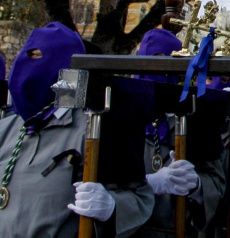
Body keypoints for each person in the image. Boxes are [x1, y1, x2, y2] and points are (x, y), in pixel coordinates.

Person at [0, 22, 153, 237]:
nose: (27, 66)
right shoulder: (6, 127)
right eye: (27, 55)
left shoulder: (97, 128)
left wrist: (112, 207)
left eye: (39, 56)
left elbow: (140, 198)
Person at [135, 28, 226, 237]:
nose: (157, 67)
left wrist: (196, 185)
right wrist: (146, 184)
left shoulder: (198, 118)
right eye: (151, 59)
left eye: (165, 59)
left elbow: (218, 185)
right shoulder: (122, 117)